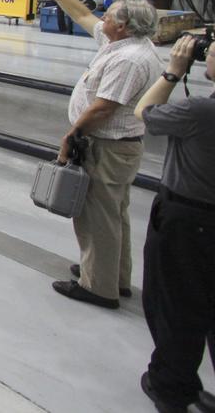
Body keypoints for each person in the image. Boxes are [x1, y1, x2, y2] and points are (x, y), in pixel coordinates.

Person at [40, 0, 162, 309]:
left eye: (108, 16)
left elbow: (103, 108)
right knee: (112, 213)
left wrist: (71, 135)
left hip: (106, 146)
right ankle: (112, 274)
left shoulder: (130, 59)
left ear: (122, 26)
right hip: (114, 146)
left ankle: (99, 287)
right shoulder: (122, 43)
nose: (101, 19)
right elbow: (80, 14)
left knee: (97, 217)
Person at [133, 34, 215, 413]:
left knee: (175, 305)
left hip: (189, 220)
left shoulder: (200, 113)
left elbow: (144, 113)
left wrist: (172, 72)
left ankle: (170, 386)